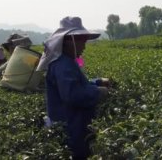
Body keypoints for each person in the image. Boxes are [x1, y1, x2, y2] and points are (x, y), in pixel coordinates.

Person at [36, 16, 111, 159]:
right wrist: (98, 92)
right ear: (68, 41)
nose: (84, 45)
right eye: (81, 40)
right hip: (71, 128)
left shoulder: (66, 61)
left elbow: (77, 84)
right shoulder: (63, 65)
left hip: (73, 125)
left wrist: (97, 82)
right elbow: (73, 95)